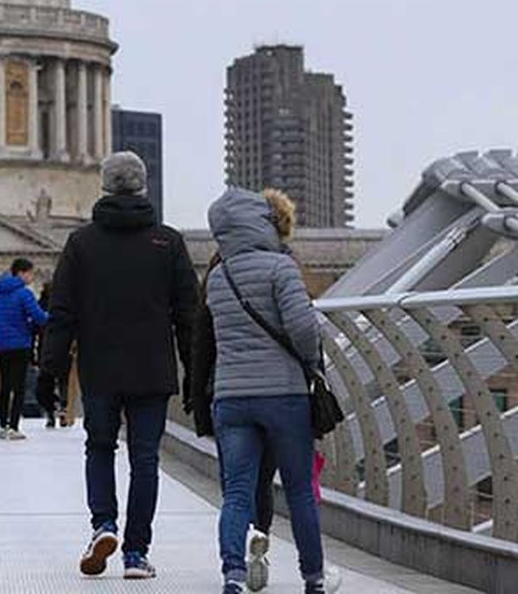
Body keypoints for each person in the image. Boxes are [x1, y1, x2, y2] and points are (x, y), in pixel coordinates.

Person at [41, 150, 197, 581]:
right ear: (143, 187)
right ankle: (135, 553)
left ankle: (103, 524)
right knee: (145, 459)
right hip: (152, 367)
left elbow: (63, 312)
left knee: (100, 447)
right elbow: (189, 316)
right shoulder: (168, 242)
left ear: (104, 187)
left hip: (100, 367)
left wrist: (50, 369)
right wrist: (196, 373)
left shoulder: (82, 243)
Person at [205, 187, 327, 594]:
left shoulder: (217, 276)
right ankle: (313, 577)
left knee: (237, 492)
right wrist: (309, 363)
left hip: (231, 397)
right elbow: (305, 330)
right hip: (283, 395)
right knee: (298, 491)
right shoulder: (281, 268)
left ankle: (233, 576)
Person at [0, 257, 48, 439]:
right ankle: (13, 426)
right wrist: (53, 316)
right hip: (20, 344)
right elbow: (38, 317)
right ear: (21, 273)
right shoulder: (24, 293)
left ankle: (3, 426)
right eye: (30, 274)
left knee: (5, 386)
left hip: (2, 345)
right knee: (19, 387)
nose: (31, 277)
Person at [34, 282, 69, 429]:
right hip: (60, 347)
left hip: (47, 348)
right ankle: (61, 408)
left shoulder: (40, 305)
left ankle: (53, 412)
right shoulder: (64, 304)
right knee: (62, 382)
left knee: (47, 383)